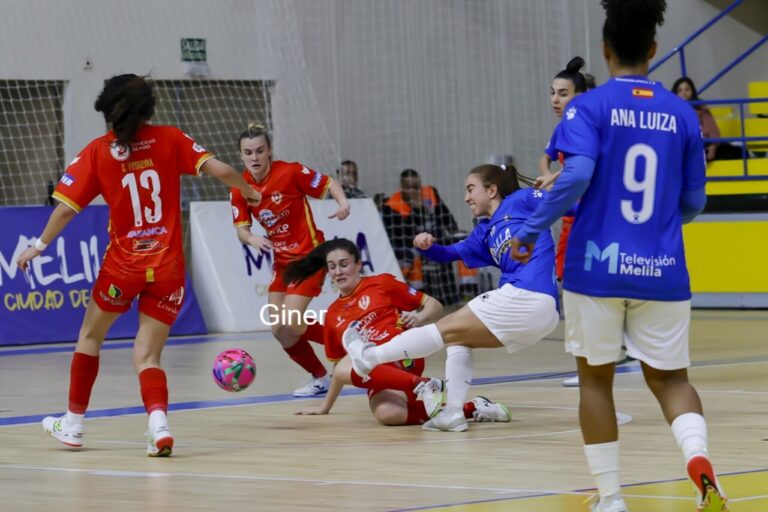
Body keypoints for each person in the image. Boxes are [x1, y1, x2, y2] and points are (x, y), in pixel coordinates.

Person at [510, 1, 728, 511]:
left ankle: (611, 498)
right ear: (653, 50)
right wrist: (659, 224)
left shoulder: (587, 107)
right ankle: (699, 464)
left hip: (596, 268)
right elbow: (695, 202)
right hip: (663, 268)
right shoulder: (683, 115)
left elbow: (579, 174)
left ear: (605, 50)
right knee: (672, 381)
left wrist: (531, 227)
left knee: (595, 380)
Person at [16, 74, 262, 457]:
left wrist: (38, 246)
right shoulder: (171, 139)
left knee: (90, 337)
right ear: (148, 108)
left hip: (123, 268)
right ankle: (158, 425)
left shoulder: (97, 152)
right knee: (148, 354)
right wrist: (249, 191)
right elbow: (225, 172)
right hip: (167, 268)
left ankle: (74, 423)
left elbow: (65, 210)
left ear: (108, 110)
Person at [343, 164, 559, 433]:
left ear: (492, 190)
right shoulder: (485, 232)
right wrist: (428, 246)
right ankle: (453, 413)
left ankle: (371, 356)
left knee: (444, 328)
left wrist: (562, 181)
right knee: (458, 338)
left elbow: (567, 203)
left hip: (527, 295)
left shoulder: (521, 200)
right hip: (538, 314)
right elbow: (448, 254)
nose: (467, 197)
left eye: (471, 189)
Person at [284, 238, 510, 426]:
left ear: (358, 264)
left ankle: (423, 384)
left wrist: (419, 317)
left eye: (344, 264)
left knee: (351, 362)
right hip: (375, 372)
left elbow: (435, 306)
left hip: (402, 354)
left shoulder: (381, 283)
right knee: (388, 414)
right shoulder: (333, 313)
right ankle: (471, 407)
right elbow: (339, 371)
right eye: (332, 267)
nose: (338, 271)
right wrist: (325, 407)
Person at [230, 123, 350, 397]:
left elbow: (330, 183)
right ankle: (320, 377)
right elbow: (241, 230)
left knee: (292, 321)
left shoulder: (291, 172)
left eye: (260, 151)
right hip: (282, 262)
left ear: (269, 151)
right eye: (248, 153)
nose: (255, 157)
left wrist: (342, 203)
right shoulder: (239, 188)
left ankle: (348, 342)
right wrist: (252, 239)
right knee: (279, 330)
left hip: (311, 255)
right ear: (241, 156)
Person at [383, 169, 460, 305]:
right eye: (409, 187)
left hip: (434, 240)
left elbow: (447, 219)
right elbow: (400, 236)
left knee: (457, 246)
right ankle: (418, 300)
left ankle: (454, 298)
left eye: (416, 187)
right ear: (402, 187)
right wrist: (416, 208)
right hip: (410, 245)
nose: (413, 191)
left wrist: (453, 232)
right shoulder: (392, 205)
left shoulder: (430, 193)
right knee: (414, 255)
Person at [672, 76, 743, 161]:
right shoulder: (671, 111)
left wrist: (713, 146)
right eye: (680, 90)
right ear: (675, 93)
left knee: (739, 152)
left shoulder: (700, 107)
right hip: (685, 148)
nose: (684, 93)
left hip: (704, 144)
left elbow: (714, 131)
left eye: (687, 89)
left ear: (692, 91)